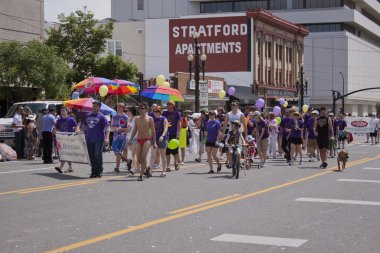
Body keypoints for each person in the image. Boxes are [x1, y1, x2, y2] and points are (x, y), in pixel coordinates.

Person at [129, 103, 155, 181]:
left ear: (146, 109)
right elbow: (135, 130)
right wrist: (130, 139)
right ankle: (147, 168)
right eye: (140, 108)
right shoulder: (136, 118)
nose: (141, 109)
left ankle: (141, 175)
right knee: (139, 159)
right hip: (138, 140)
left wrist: (155, 142)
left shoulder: (150, 118)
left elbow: (153, 131)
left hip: (147, 139)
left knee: (143, 157)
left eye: (142, 108)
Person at [83, 101, 109, 178]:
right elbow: (84, 126)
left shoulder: (102, 116)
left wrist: (107, 138)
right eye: (93, 106)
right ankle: (93, 171)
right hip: (89, 138)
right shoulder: (87, 115)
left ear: (99, 107)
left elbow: (107, 127)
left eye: (96, 106)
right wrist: (78, 131)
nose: (94, 107)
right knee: (91, 155)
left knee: (97, 154)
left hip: (99, 139)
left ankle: (99, 171)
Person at [54, 107, 79, 173]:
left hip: (69, 138)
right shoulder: (59, 120)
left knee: (66, 153)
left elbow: (76, 126)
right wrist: (55, 131)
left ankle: (61, 167)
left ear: (66, 112)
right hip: (62, 139)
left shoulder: (71, 119)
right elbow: (57, 128)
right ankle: (70, 167)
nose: (62, 112)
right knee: (65, 153)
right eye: (61, 111)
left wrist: (76, 131)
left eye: (63, 111)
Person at [162, 101, 181, 172]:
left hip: (174, 134)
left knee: (174, 150)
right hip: (166, 134)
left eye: (169, 104)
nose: (167, 105)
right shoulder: (164, 113)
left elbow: (179, 124)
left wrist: (178, 133)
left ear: (173, 105)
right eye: (167, 104)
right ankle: (168, 166)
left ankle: (176, 162)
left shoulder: (177, 113)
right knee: (167, 151)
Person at [150, 106, 168, 177]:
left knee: (163, 155)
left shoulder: (164, 119)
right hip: (154, 139)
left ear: (160, 112)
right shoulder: (152, 119)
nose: (155, 113)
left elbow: (166, 129)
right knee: (152, 155)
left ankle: (164, 171)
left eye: (156, 111)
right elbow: (151, 129)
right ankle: (150, 171)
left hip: (162, 139)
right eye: (154, 111)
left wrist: (162, 136)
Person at [111, 103, 129, 174]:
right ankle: (128, 161)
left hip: (122, 136)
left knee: (118, 151)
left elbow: (128, 128)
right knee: (115, 150)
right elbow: (112, 126)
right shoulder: (114, 116)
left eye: (120, 107)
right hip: (115, 136)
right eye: (118, 107)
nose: (119, 108)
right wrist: (116, 128)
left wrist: (122, 129)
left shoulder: (126, 117)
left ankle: (117, 167)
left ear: (123, 108)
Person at [125, 106, 138, 173]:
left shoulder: (136, 118)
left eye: (128, 111)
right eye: (126, 111)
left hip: (135, 138)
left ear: (132, 111)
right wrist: (126, 131)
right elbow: (128, 129)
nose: (127, 112)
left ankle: (133, 168)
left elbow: (137, 128)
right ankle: (139, 167)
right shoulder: (128, 119)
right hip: (129, 138)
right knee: (134, 154)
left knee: (133, 154)